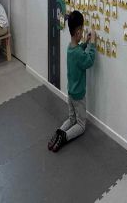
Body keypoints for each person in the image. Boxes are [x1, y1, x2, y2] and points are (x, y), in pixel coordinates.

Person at [48, 10, 96, 153]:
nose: (83, 32)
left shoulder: (71, 48)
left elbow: (79, 53)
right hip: (78, 95)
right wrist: (92, 44)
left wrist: (85, 43)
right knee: (80, 125)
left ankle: (58, 132)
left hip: (70, 92)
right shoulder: (78, 54)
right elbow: (88, 61)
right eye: (82, 30)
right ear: (78, 31)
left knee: (71, 119)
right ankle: (65, 137)